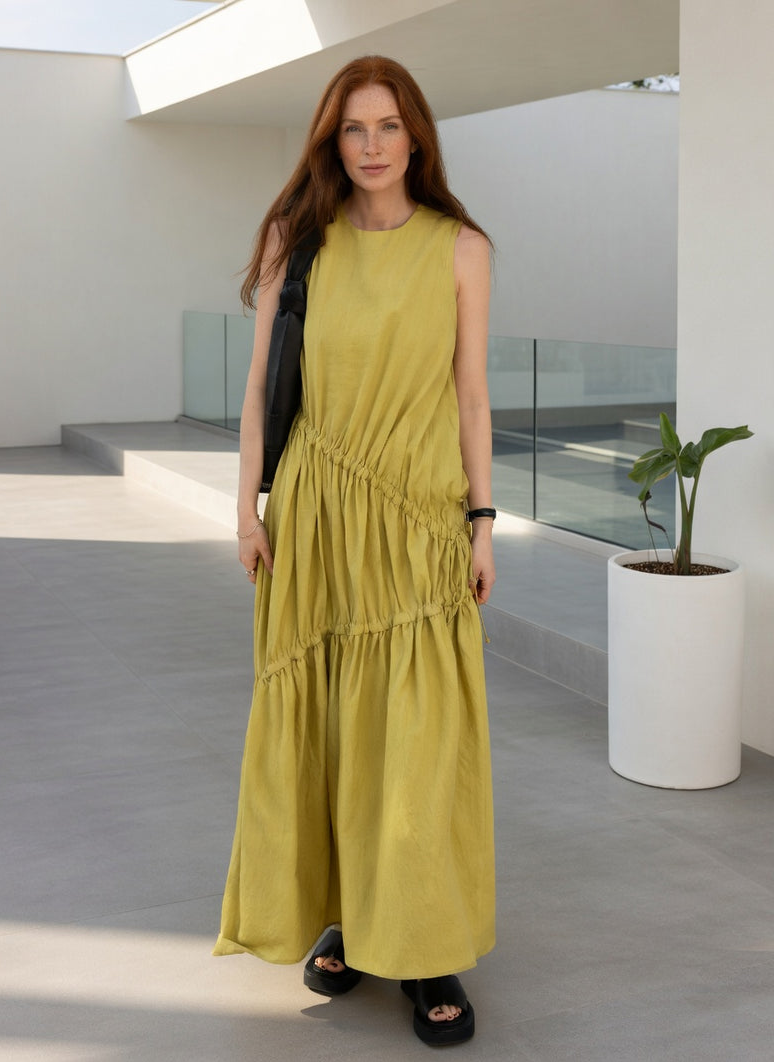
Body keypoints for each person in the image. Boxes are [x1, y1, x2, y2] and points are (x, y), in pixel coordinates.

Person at [213, 54, 496, 1047]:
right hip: (316, 520)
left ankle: (423, 951)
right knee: (332, 734)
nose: (370, 145)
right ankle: (346, 920)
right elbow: (258, 388)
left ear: (415, 135)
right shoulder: (302, 244)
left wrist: (481, 519)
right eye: (350, 130)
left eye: (385, 126)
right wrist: (248, 508)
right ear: (332, 143)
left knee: (414, 743)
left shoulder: (459, 248)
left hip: (417, 522)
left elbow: (468, 393)